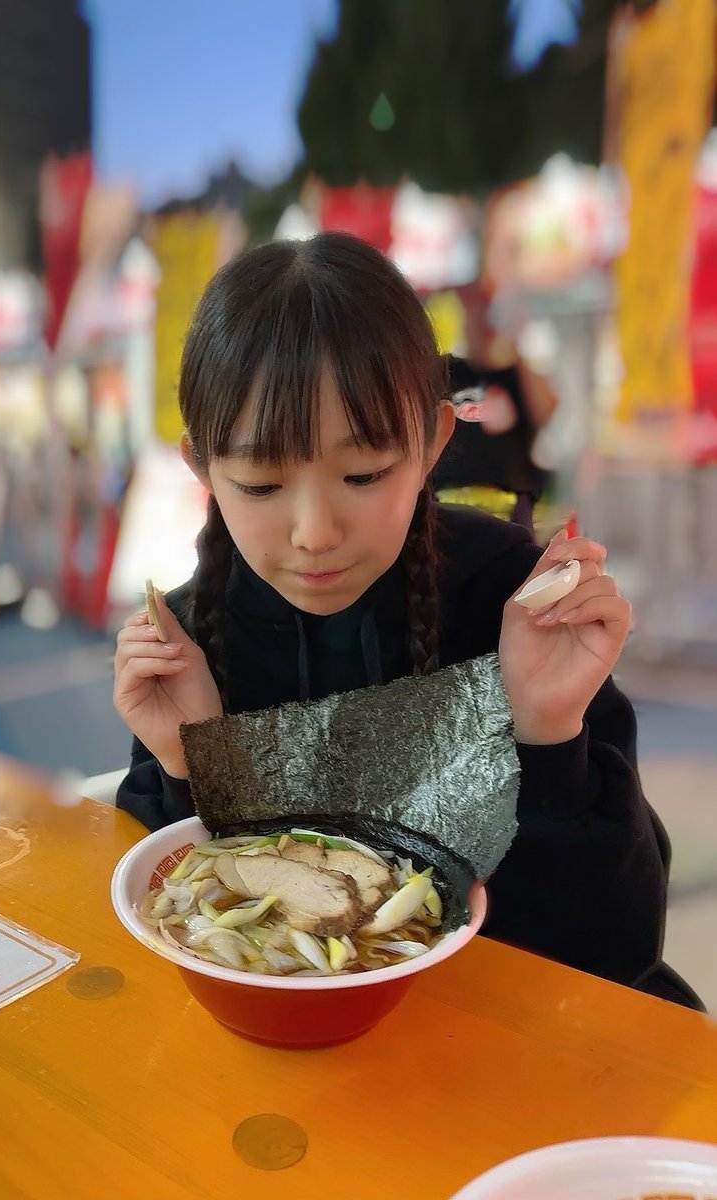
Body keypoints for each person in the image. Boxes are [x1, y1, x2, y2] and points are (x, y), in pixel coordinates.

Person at [113, 233, 699, 1009]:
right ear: (202, 469)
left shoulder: (515, 603)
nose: (315, 532)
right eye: (260, 483)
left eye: (363, 474)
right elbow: (176, 943)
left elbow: (616, 952)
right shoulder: (189, 640)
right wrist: (193, 766)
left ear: (433, 443)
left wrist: (547, 731)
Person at [433, 282, 557, 531]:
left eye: (491, 313)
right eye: (478, 310)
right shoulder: (442, 371)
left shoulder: (520, 377)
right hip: (444, 507)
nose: (485, 322)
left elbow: (549, 413)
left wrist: (516, 346)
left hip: (512, 509)